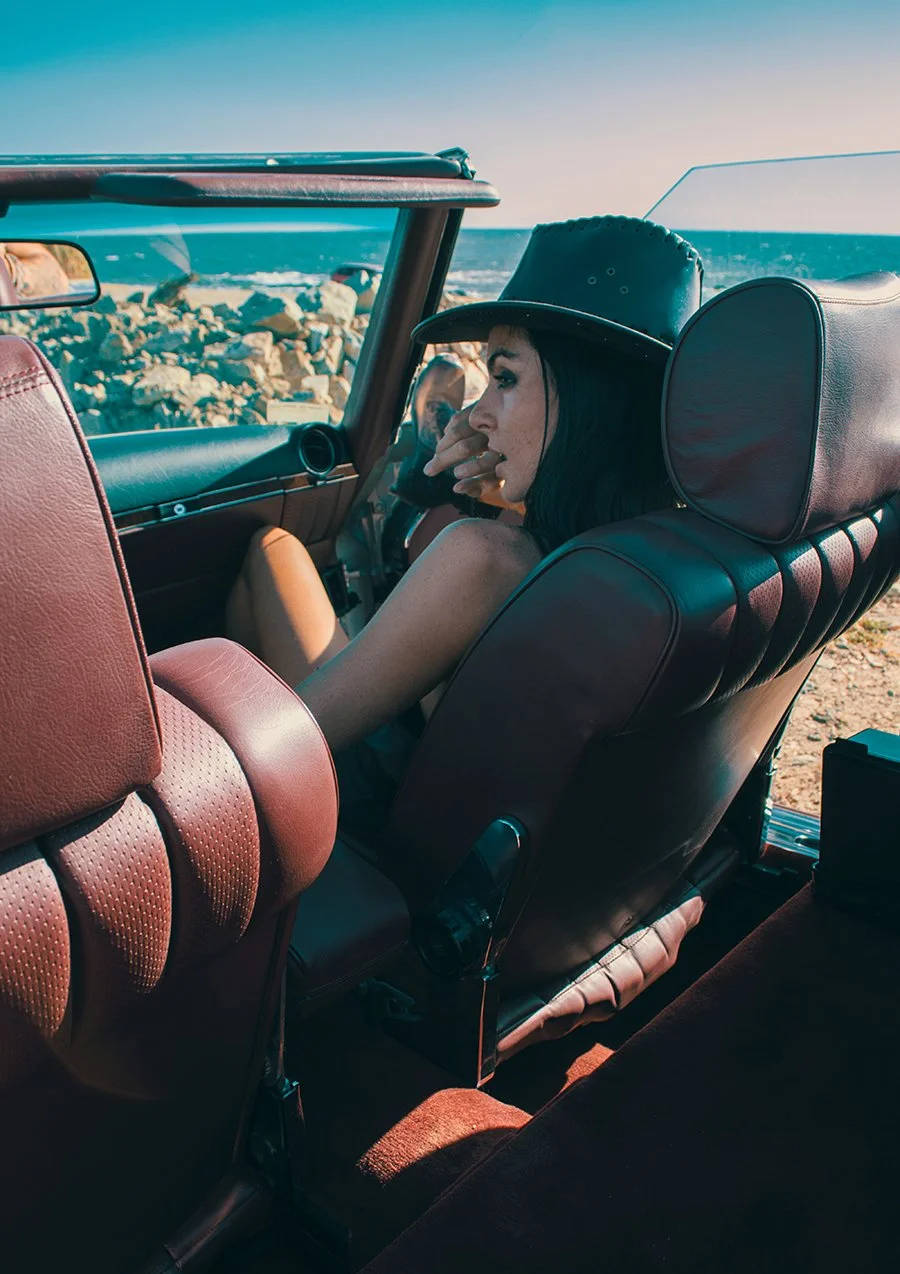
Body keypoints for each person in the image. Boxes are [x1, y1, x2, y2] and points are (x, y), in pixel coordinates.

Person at [227, 216, 703, 769]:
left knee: (270, 551)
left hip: (363, 796)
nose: (476, 414)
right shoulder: (678, 546)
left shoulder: (484, 557)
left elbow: (297, 744)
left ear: (589, 395)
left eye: (503, 379)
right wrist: (498, 496)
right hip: (506, 826)